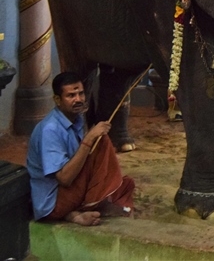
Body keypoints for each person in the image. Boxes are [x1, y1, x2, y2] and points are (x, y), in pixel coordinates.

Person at [27, 72, 135, 226]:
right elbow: (64, 179)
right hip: (53, 201)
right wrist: (89, 139)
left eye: (81, 93)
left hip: (69, 191)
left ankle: (74, 214)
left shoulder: (76, 118)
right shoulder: (50, 130)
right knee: (101, 141)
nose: (78, 99)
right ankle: (92, 204)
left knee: (127, 184)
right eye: (71, 95)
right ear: (57, 100)